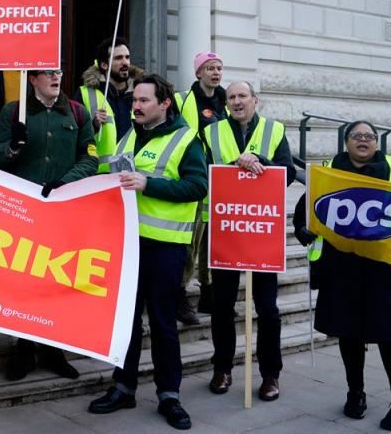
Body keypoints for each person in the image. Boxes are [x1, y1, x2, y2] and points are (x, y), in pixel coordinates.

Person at [293, 121, 391, 431]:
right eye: (356, 135)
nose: (363, 140)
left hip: (387, 269)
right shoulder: (328, 171)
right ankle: (355, 393)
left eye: (369, 136)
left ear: (376, 142)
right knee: (349, 334)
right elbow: (304, 214)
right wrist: (303, 231)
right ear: (346, 141)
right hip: (342, 269)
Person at [88, 74, 207, 430]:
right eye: (134, 101)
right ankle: (123, 387)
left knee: (162, 323)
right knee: (126, 321)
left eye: (143, 101)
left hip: (165, 248)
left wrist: (149, 184)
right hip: (127, 244)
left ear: (164, 103)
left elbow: (199, 185)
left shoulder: (186, 139)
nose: (135, 106)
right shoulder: (130, 134)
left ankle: (169, 395)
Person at [0, 68, 98, 381]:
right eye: (48, 73)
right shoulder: (14, 111)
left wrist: (65, 182)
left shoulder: (77, 112)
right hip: (23, 212)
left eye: (60, 72)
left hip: (62, 209)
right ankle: (24, 349)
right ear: (32, 79)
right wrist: (14, 147)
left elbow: (90, 156)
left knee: (57, 280)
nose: (56, 78)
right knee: (24, 281)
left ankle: (54, 349)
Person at [203, 81, 296, 401]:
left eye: (243, 96)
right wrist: (235, 166)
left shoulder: (274, 130)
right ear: (225, 103)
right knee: (222, 307)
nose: (237, 101)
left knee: (268, 309)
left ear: (256, 100)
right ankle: (222, 369)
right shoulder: (212, 132)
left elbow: (289, 172)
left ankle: (271, 375)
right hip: (227, 232)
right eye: (231, 97)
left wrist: (259, 160)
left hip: (261, 234)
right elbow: (203, 173)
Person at [174, 51, 227, 323]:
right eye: (209, 68)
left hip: (222, 181)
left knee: (213, 241)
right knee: (191, 239)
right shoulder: (184, 100)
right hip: (194, 179)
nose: (215, 72)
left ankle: (208, 292)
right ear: (198, 73)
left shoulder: (228, 102)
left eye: (218, 68)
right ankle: (181, 293)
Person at [73, 37, 137, 173]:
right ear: (104, 65)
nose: (125, 62)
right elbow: (73, 136)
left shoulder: (142, 91)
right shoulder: (85, 93)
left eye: (127, 57)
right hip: (98, 175)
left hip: (134, 174)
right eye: (118, 58)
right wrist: (93, 125)